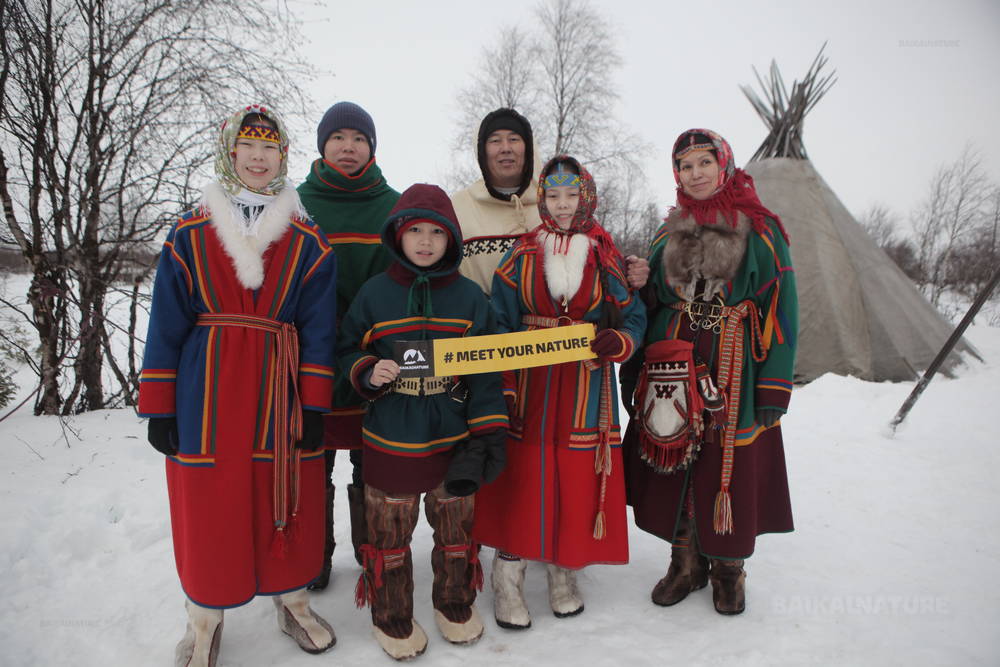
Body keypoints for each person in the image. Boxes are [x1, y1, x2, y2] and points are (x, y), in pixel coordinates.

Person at [138, 104, 338, 666]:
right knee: (211, 503)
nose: (258, 157)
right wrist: (160, 406)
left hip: (282, 389)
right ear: (230, 154)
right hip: (206, 392)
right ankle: (204, 619)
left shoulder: (307, 239)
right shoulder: (191, 232)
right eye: (247, 147)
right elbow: (166, 323)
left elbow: (320, 328)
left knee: (286, 492)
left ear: (283, 156)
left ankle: (292, 600)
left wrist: (316, 404)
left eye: (269, 148)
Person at [623, 129, 797, 615]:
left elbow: (783, 311)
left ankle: (727, 569)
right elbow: (651, 298)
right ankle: (685, 562)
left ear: (724, 165)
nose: (695, 174)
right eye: (685, 166)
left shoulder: (761, 230)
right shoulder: (668, 231)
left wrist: (774, 387)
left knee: (727, 464)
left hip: (734, 364)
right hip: (673, 361)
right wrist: (639, 282)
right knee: (678, 454)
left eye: (704, 162)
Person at [472, 156, 646, 629]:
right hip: (530, 381)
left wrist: (620, 341)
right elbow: (500, 325)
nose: (564, 205)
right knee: (523, 474)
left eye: (572, 195)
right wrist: (504, 386)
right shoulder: (522, 253)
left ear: (586, 196)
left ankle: (564, 571)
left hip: (585, 384)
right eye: (553, 196)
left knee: (574, 472)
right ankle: (507, 576)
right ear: (541, 200)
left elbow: (633, 317)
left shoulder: (604, 254)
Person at [336, 183, 508, 660]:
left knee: (456, 532)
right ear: (398, 234)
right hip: (391, 434)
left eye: (437, 231)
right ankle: (391, 616)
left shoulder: (472, 300)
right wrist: (367, 370)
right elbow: (347, 348)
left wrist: (489, 430)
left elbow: (488, 370)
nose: (427, 241)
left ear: (452, 238)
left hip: (452, 434)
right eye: (416, 231)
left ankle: (454, 603)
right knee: (389, 536)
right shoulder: (374, 294)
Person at [298, 101, 401, 590]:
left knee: (371, 458)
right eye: (338, 137)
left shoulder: (393, 206)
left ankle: (371, 550)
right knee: (311, 457)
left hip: (373, 352)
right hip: (310, 354)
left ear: (372, 148)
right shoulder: (295, 203)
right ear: (322, 145)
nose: (348, 147)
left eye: (358, 138)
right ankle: (312, 557)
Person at [451, 106, 650, 292]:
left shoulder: (556, 203)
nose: (505, 148)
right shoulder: (457, 209)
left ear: (529, 148)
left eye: (514, 139)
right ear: (481, 150)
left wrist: (629, 269)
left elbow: (596, 258)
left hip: (553, 326)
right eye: (495, 140)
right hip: (483, 327)